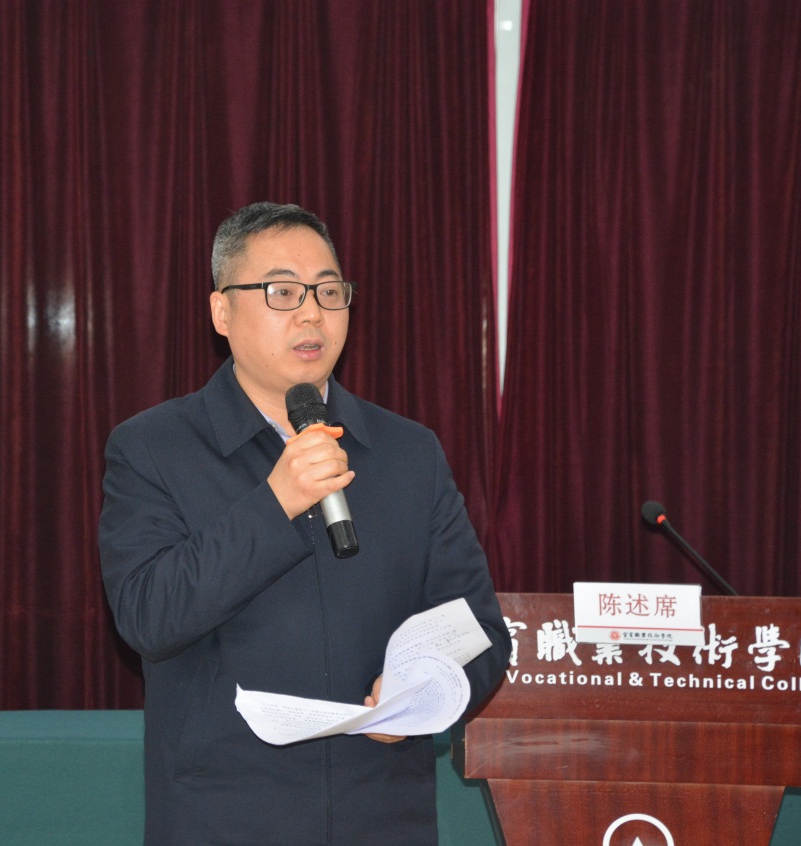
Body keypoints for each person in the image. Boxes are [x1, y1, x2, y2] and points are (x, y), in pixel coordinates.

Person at [99, 202, 510, 845]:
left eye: (328, 291)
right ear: (222, 313)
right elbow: (149, 616)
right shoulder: (153, 448)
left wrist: (426, 687)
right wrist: (276, 503)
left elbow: (480, 630)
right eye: (282, 292)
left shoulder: (409, 453)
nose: (312, 313)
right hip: (223, 818)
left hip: (382, 817)